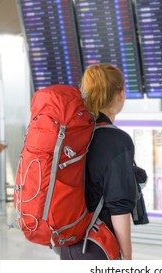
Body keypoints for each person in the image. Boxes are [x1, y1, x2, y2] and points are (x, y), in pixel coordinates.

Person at [60, 64, 137, 260]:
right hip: (99, 246)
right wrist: (127, 257)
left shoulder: (72, 134)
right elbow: (119, 206)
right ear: (120, 94)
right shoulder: (117, 141)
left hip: (68, 244)